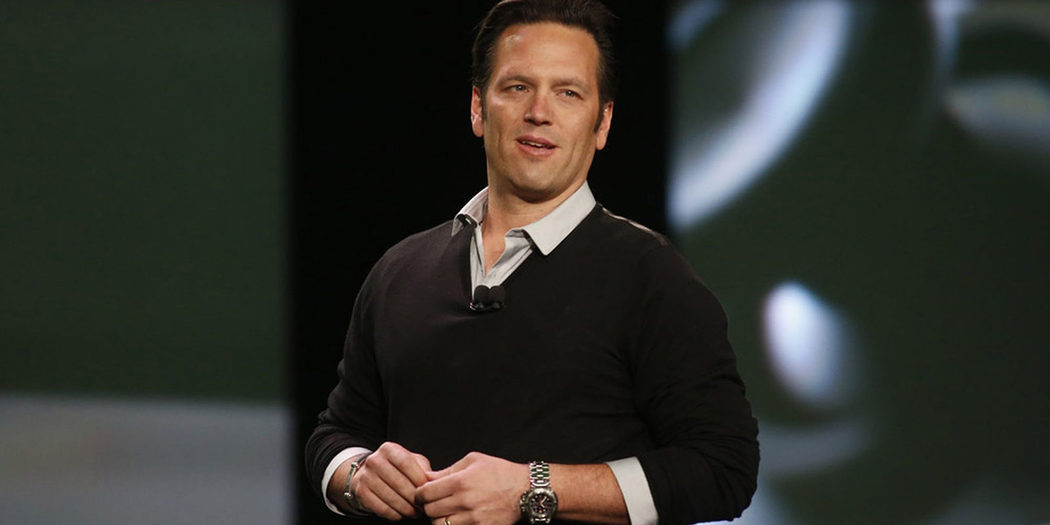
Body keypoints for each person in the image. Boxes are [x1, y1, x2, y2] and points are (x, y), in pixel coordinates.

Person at [305, 1, 759, 523]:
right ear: (478, 108)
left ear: (602, 123)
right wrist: (357, 476)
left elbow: (722, 468)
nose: (539, 111)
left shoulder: (651, 277)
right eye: (518, 87)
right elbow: (335, 434)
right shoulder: (400, 271)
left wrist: (533, 487)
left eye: (568, 93)